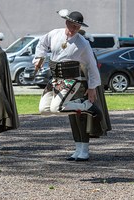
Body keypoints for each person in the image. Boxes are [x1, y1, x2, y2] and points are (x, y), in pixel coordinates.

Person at [32, 9, 103, 160]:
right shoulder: (54, 34)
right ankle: (80, 111)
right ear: (66, 23)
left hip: (71, 80)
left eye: (77, 27)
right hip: (55, 79)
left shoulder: (82, 43)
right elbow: (41, 44)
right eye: (72, 26)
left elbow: (92, 65)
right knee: (44, 110)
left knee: (57, 109)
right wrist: (38, 59)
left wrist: (92, 87)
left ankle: (86, 107)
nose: (74, 30)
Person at [67, 29, 111, 161]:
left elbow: (91, 74)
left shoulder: (88, 54)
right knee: (74, 121)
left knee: (82, 121)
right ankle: (77, 148)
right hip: (71, 91)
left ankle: (84, 150)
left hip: (83, 91)